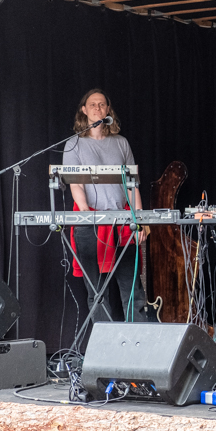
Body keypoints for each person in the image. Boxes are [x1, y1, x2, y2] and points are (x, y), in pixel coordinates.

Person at [63, 88, 149, 323]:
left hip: (124, 223)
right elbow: (75, 185)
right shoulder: (73, 144)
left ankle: (138, 341)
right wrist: (86, 215)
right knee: (97, 293)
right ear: (84, 110)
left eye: (102, 104)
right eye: (92, 104)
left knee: (133, 291)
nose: (97, 108)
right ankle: (105, 343)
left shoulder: (121, 143)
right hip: (90, 223)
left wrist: (139, 220)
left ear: (108, 110)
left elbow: (132, 185)